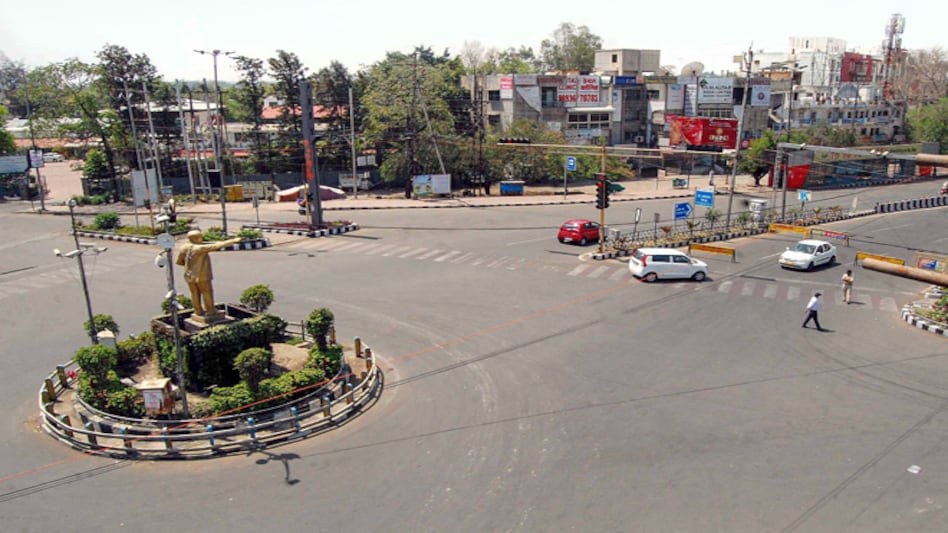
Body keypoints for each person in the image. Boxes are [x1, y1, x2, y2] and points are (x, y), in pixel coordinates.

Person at [175, 230, 242, 319]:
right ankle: (210, 311)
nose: (201, 238)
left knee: (194, 293)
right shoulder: (199, 248)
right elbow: (216, 246)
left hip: (189, 276)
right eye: (200, 237)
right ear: (196, 238)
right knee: (207, 292)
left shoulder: (183, 248)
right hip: (202, 276)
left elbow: (179, 262)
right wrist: (234, 241)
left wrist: (191, 264)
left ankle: (198, 311)